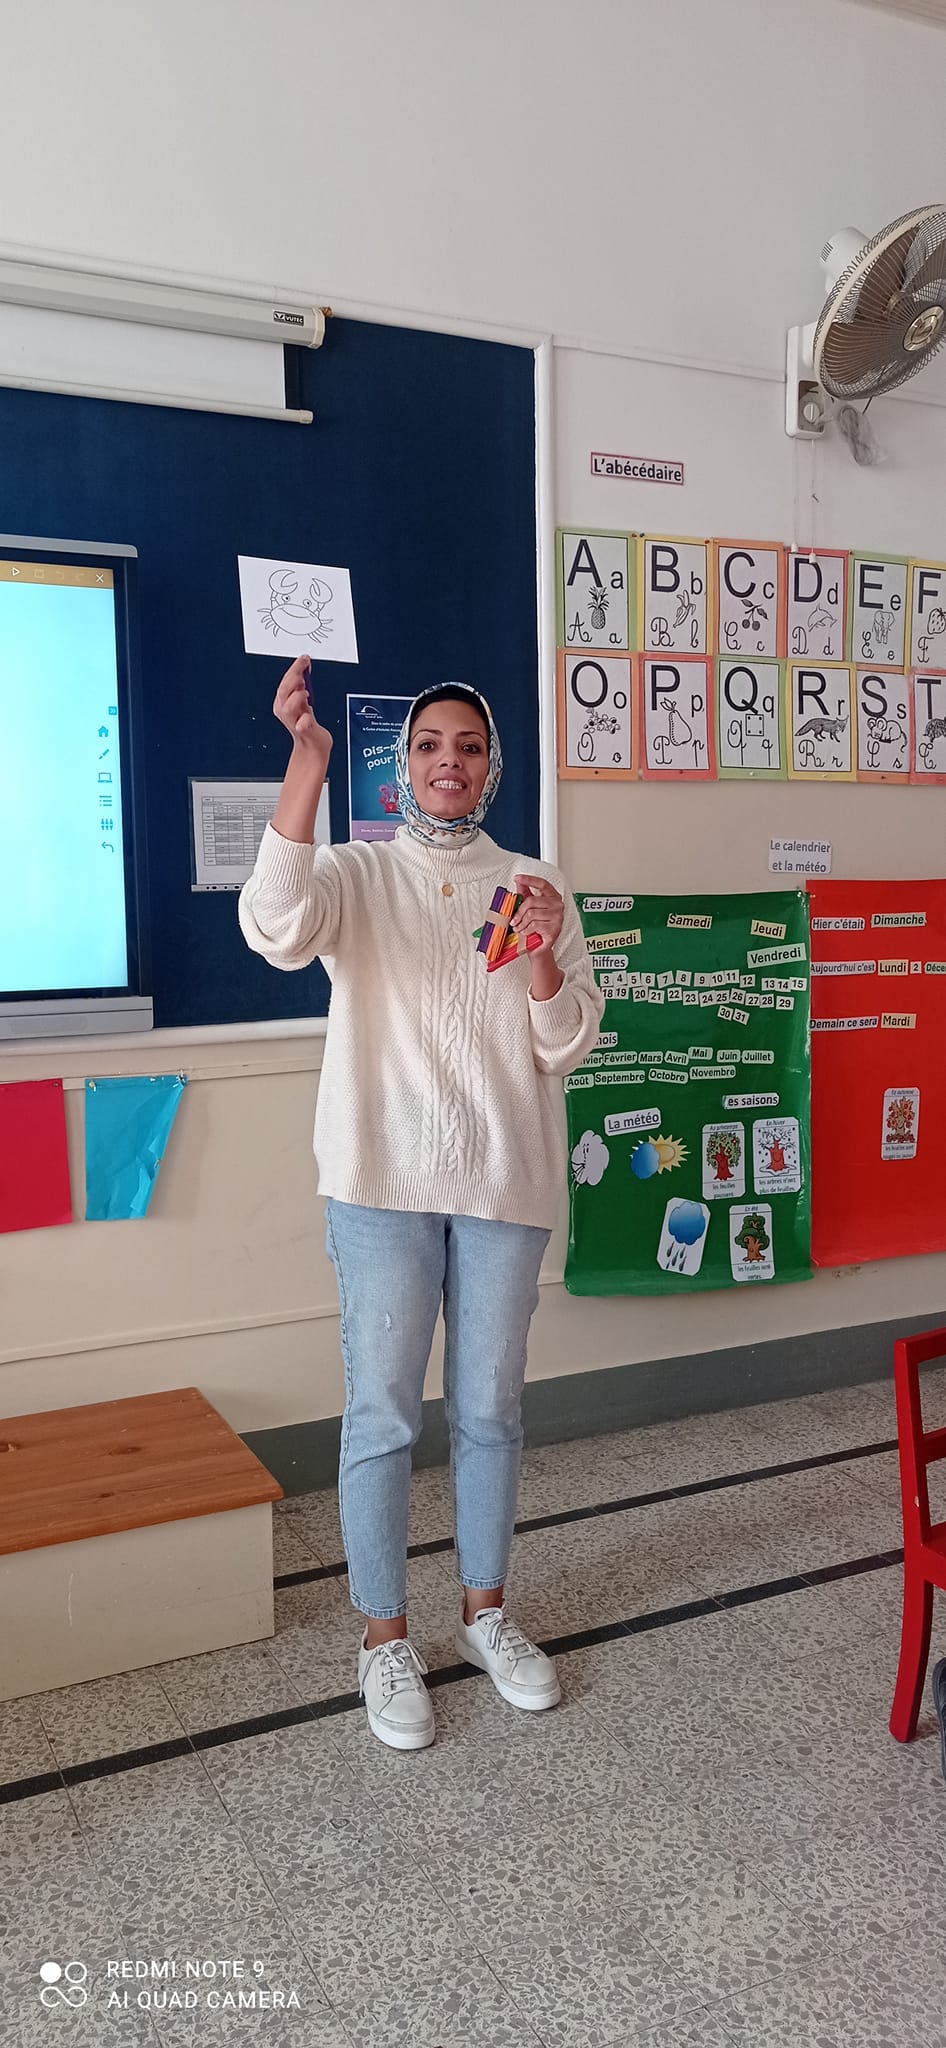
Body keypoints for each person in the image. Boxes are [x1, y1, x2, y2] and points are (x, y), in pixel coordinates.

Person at [238, 655, 603, 1750]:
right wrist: (307, 763)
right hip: (381, 1183)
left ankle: (486, 1613)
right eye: (431, 746)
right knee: (385, 1415)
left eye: (470, 747)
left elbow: (565, 1044)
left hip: (502, 1182)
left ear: (493, 766)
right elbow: (273, 924)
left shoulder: (532, 883)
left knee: (490, 1409)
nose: (452, 762)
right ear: (402, 765)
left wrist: (543, 957)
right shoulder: (357, 873)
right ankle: (383, 1636)